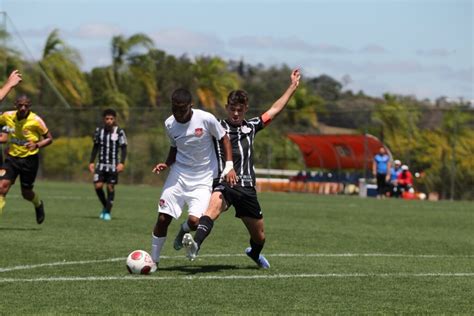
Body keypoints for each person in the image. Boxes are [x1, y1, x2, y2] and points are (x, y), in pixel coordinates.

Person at [182, 68, 301, 269]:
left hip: (247, 189)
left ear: (245, 109)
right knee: (211, 210)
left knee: (260, 237)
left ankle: (254, 253)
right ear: (227, 108)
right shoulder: (217, 127)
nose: (235, 113)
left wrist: (292, 87)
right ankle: (196, 245)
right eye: (232, 109)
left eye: (239, 109)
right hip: (224, 184)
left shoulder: (252, 127)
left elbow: (274, 110)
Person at [150, 88, 236, 269]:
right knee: (163, 218)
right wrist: (167, 163)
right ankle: (154, 261)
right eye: (175, 109)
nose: (178, 113)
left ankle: (183, 229)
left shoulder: (205, 119)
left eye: (182, 109)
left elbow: (224, 138)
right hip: (178, 175)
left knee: (195, 222)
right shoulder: (169, 124)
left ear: (191, 106)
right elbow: (175, 146)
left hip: (203, 179)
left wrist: (229, 166)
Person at [0, 72, 53, 222]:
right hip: (11, 158)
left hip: (29, 160)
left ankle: (38, 204)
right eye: (20, 105)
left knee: (26, 193)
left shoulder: (36, 120)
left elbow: (49, 139)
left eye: (26, 105)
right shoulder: (7, 116)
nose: (23, 108)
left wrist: (36, 144)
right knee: (2, 187)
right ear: (15, 105)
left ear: (29, 106)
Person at [88, 109, 128, 221]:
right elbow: (95, 147)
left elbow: (124, 148)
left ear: (114, 119)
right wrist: (91, 161)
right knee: (98, 186)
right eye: (107, 119)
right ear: (103, 119)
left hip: (113, 165)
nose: (109, 121)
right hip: (101, 165)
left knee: (110, 187)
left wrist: (122, 163)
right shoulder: (98, 131)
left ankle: (107, 212)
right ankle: (106, 206)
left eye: (111, 119)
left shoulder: (119, 132)